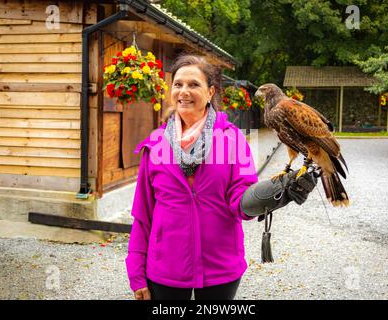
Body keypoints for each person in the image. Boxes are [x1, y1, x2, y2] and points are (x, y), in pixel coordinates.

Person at [125, 54, 318, 300]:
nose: (184, 91)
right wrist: (136, 274)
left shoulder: (232, 139)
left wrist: (273, 194)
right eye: (178, 84)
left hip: (220, 268)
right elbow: (143, 215)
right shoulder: (154, 146)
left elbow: (240, 201)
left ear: (210, 92)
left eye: (194, 84)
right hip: (165, 268)